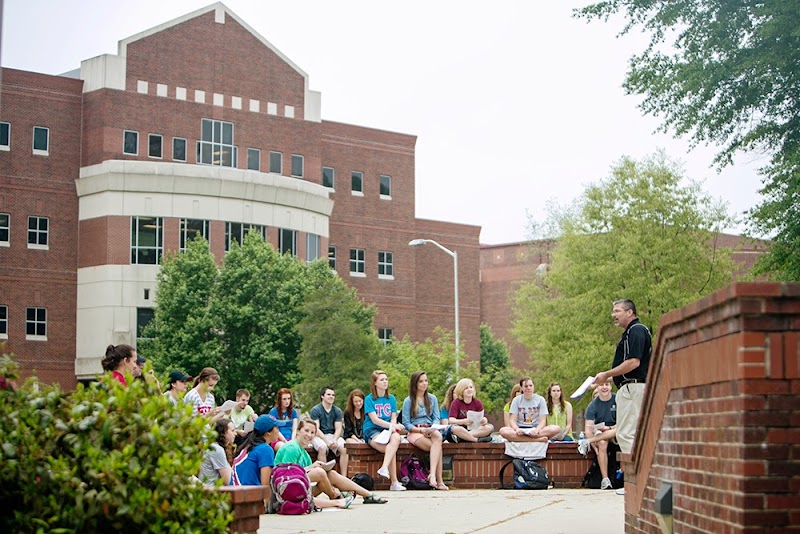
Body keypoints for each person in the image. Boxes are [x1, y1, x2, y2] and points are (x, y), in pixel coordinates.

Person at [592, 298, 652, 495]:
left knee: (626, 433)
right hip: (632, 389)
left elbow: (634, 362)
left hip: (634, 388)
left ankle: (634, 483)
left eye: (617, 310)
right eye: (613, 311)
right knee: (632, 433)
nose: (613, 315)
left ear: (630, 312)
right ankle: (638, 482)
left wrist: (607, 375)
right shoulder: (630, 333)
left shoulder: (636, 330)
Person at [276, 418, 387, 507]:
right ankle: (335, 495)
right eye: (306, 431)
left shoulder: (303, 452)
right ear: (298, 431)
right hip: (285, 491)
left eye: (312, 432)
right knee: (319, 472)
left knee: (331, 474)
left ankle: (368, 495)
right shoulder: (292, 447)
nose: (309, 435)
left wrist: (315, 467)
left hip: (299, 488)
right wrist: (312, 467)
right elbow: (287, 476)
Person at [401, 371, 448, 490]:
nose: (424, 383)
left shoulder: (432, 398)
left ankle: (433, 476)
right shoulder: (408, 401)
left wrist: (433, 427)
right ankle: (439, 480)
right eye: (421, 381)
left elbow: (436, 418)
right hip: (416, 431)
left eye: (426, 381)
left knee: (438, 437)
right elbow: (406, 423)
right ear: (415, 384)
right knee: (438, 448)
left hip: (430, 429)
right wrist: (421, 431)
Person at [363, 370, 405, 491]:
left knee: (395, 438)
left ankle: (384, 468)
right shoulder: (369, 399)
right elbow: (375, 420)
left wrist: (393, 427)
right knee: (391, 449)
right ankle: (394, 482)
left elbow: (393, 418)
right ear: (375, 383)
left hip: (387, 430)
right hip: (372, 430)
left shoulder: (391, 399)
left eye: (386, 379)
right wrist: (392, 427)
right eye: (382, 380)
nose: (385, 382)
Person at [232, 414, 284, 512]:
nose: (278, 430)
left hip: (237, 495)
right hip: (248, 499)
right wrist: (265, 508)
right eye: (276, 427)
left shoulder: (247, 445)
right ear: (268, 432)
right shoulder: (266, 449)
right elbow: (265, 484)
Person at [577, 379, 618, 490]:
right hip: (600, 434)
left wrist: (609, 428)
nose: (604, 387)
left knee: (619, 430)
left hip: (616, 432)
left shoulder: (617, 400)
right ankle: (605, 480)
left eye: (607, 384)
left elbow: (624, 422)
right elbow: (588, 429)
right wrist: (594, 446)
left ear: (610, 387)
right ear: (597, 388)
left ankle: (587, 442)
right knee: (602, 443)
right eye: (601, 385)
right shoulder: (592, 406)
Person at [499, 377, 561, 442]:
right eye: (526, 386)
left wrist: (536, 431)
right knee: (503, 431)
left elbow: (543, 421)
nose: (529, 388)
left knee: (556, 428)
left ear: (533, 386)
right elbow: (512, 420)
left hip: (535, 429)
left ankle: (524, 439)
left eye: (530, 386)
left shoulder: (540, 400)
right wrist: (516, 429)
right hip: (520, 429)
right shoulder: (516, 400)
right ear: (522, 388)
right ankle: (536, 440)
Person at [309, 386, 346, 470]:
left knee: (344, 448)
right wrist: (327, 441)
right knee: (322, 448)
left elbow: (338, 428)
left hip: (333, 435)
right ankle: (323, 475)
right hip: (319, 435)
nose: (331, 397)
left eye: (333, 395)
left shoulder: (337, 411)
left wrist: (334, 440)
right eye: (328, 394)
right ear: (322, 396)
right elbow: (316, 429)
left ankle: (344, 477)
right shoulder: (316, 410)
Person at [199, 418, 235, 485]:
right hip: (212, 491)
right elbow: (229, 481)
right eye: (232, 431)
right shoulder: (217, 449)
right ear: (224, 433)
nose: (235, 434)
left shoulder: (215, 446)